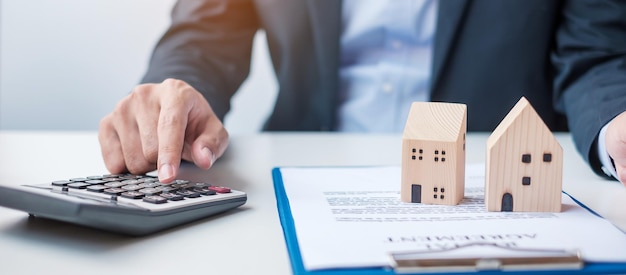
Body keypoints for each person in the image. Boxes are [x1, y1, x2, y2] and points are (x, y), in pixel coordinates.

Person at [98, 0, 626, 185]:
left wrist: (616, 120)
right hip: (301, 174)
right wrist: (176, 94)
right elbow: (205, 34)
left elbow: (597, 53)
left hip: (489, 181)